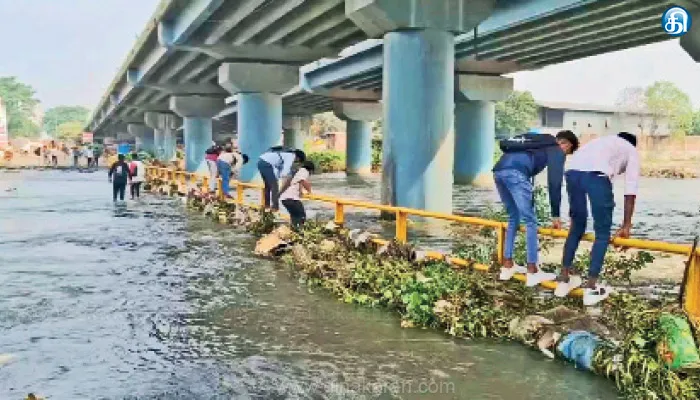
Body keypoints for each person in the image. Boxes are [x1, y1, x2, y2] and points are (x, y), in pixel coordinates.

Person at [555, 132, 640, 306]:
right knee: (602, 233)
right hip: (597, 177)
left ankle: (564, 279)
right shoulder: (631, 150)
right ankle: (591, 286)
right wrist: (626, 226)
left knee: (577, 226)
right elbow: (630, 191)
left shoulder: (601, 142)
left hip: (572, 174)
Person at [493, 130, 580, 287]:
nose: (564, 155)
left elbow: (528, 177)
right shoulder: (555, 149)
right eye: (568, 152)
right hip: (515, 174)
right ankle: (532, 270)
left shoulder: (535, 144)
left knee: (513, 216)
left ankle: (508, 265)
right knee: (531, 221)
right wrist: (555, 215)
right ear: (566, 144)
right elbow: (554, 183)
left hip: (499, 171)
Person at [258, 147, 306, 211]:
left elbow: (279, 171)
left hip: (261, 162)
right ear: (298, 157)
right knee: (274, 186)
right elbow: (285, 173)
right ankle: (275, 207)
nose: (295, 162)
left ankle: (266, 206)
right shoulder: (291, 156)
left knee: (268, 186)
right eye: (297, 161)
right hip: (265, 163)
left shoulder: (284, 155)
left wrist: (278, 178)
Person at [279, 161, 315, 230]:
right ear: (310, 169)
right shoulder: (305, 171)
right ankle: (300, 231)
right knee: (302, 216)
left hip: (284, 198)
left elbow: (298, 182)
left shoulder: (297, 171)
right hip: (291, 198)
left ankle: (294, 230)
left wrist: (300, 191)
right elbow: (303, 181)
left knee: (294, 216)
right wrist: (309, 191)